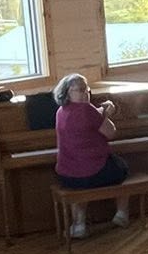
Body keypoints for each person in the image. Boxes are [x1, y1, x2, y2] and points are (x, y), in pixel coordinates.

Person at [53, 72, 130, 240]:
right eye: (79, 90)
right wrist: (107, 114)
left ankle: (79, 224)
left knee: (81, 180)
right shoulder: (87, 110)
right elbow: (111, 132)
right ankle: (122, 214)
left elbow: (90, 116)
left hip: (67, 175)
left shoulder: (60, 111)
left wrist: (100, 111)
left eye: (86, 90)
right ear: (67, 93)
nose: (85, 94)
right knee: (122, 167)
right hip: (93, 173)